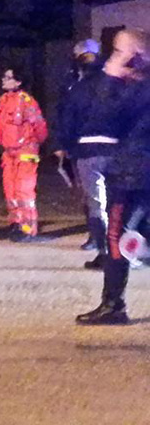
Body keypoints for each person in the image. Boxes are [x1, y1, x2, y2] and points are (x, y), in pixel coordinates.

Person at [77, 29, 149, 325]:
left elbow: (104, 116)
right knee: (141, 233)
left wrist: (110, 76)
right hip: (138, 170)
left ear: (135, 55)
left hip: (132, 173)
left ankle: (113, 304)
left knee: (117, 235)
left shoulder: (139, 88)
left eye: (119, 51)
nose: (112, 57)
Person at [58, 32, 139, 270]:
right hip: (115, 151)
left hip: (87, 151)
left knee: (96, 204)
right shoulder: (118, 85)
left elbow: (67, 121)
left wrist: (68, 148)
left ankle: (103, 252)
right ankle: (123, 252)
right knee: (118, 203)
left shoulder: (76, 89)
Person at [55, 38, 102, 250]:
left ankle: (103, 237)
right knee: (88, 193)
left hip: (97, 145)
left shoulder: (105, 80)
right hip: (80, 145)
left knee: (99, 193)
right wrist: (62, 143)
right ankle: (96, 234)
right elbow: (63, 113)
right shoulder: (71, 82)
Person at [0, 65, 48, 241]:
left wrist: (33, 145)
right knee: (10, 190)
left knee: (24, 191)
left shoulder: (27, 101)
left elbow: (40, 128)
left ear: (18, 82)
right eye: (4, 77)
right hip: (9, 152)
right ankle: (16, 223)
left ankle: (27, 227)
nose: (3, 80)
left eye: (8, 77)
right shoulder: (3, 100)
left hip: (25, 152)